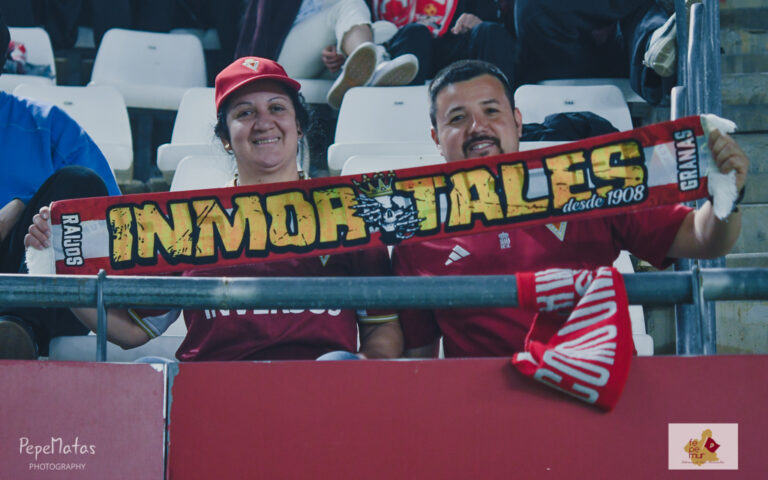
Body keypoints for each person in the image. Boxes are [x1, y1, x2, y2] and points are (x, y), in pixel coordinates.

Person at [26, 56, 404, 361]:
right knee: (148, 372)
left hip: (320, 397)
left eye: (277, 108)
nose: (264, 122)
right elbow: (131, 331)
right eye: (245, 113)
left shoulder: (349, 213)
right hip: (211, 395)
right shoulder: (188, 222)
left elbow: (382, 329)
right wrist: (56, 264)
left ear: (299, 126)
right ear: (225, 137)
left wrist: (356, 374)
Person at [391, 59, 749, 358]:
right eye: (457, 118)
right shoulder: (416, 233)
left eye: (491, 111)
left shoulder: (587, 183)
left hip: (594, 390)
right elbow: (419, 360)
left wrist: (726, 194)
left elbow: (701, 239)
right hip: (484, 407)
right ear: (436, 138)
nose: (477, 127)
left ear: (517, 121)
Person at [0, 9, 121, 359]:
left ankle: (16, 332)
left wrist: (25, 210)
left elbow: (112, 221)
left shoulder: (47, 124)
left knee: (78, 184)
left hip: (36, 286)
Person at [236, 0, 419, 109]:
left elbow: (355, 22)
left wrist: (340, 51)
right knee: (349, 4)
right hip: (284, 58)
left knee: (387, 29)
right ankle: (376, 66)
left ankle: (357, 65)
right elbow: (259, 29)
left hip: (330, 59)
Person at [514, 0, 677, 104]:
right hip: (581, 82)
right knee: (641, 9)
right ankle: (654, 47)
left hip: (588, 64)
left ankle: (656, 45)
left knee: (637, 16)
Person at [371, 0, 517, 86]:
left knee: (489, 31)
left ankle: (498, 110)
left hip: (456, 46)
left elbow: (491, 23)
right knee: (415, 33)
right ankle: (403, 110)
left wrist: (476, 22)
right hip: (403, 49)